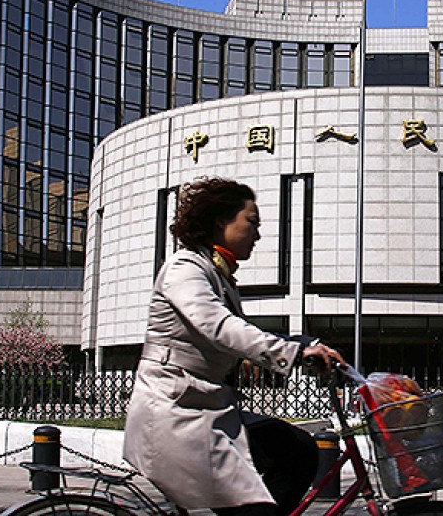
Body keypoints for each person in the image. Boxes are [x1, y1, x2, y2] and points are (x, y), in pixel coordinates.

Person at [123, 177, 344, 516]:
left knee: (297, 449)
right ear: (220, 221)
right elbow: (219, 327)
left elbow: (242, 332)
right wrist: (295, 354)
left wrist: (305, 343)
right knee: (255, 508)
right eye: (251, 223)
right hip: (176, 412)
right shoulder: (185, 268)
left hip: (205, 408)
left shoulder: (218, 273)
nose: (257, 234)